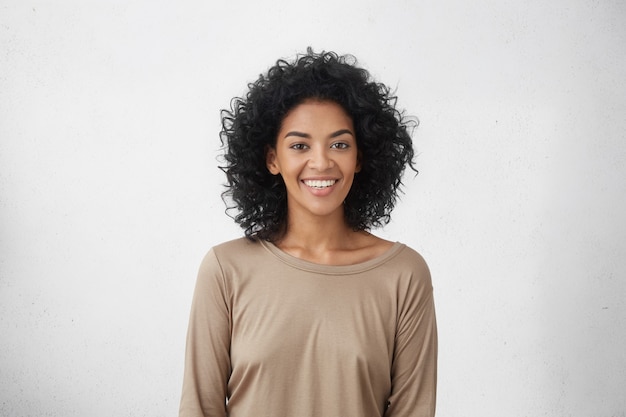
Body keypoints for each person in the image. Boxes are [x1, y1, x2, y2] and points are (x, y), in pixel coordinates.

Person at [179, 49, 437, 417]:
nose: (321, 162)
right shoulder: (225, 269)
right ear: (272, 159)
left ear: (360, 157)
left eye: (339, 144)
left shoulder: (403, 275)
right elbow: (199, 410)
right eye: (300, 145)